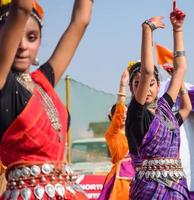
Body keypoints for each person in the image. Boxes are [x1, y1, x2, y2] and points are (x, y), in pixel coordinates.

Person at [0, 0, 93, 199]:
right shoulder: (3, 85)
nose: (23, 46)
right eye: (16, 35)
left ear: (40, 41)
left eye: (31, 37)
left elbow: (81, 20)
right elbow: (21, 7)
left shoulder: (43, 82)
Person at [125, 3, 192, 200]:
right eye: (137, 84)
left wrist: (177, 30)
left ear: (158, 85)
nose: (145, 87)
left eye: (151, 83)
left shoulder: (165, 111)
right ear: (132, 88)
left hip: (178, 189)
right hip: (149, 192)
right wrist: (147, 30)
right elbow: (147, 72)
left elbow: (180, 70)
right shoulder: (135, 115)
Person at [98, 69, 135, 200]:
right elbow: (119, 112)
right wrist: (122, 86)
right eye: (121, 113)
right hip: (120, 179)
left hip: (136, 175)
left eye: (126, 113)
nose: (124, 115)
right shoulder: (112, 133)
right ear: (112, 117)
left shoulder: (133, 131)